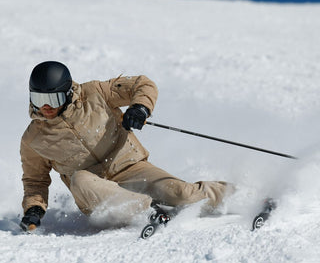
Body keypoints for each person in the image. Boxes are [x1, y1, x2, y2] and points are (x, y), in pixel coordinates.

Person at [20, 61, 231, 232]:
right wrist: (34, 208)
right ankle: (150, 210)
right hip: (95, 191)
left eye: (52, 98)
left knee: (182, 193)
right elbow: (34, 181)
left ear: (66, 93)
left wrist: (140, 108)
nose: (46, 107)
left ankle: (239, 194)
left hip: (131, 167)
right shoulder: (33, 139)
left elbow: (142, 83)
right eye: (39, 98)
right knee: (80, 179)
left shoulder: (95, 93)